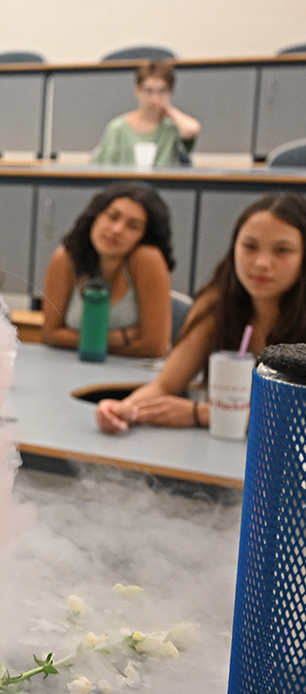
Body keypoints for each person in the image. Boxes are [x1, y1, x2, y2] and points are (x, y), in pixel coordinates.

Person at [96, 194, 306, 434]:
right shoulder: (217, 304)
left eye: (282, 250)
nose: (261, 263)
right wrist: (123, 410)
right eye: (249, 246)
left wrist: (202, 413)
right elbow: (165, 386)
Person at [40, 182, 175, 358]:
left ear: (144, 236)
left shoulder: (146, 258)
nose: (117, 230)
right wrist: (124, 337)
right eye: (112, 216)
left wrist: (81, 341)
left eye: (133, 226)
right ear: (95, 216)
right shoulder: (66, 259)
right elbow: (51, 335)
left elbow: (154, 347)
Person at [91, 61, 202, 168]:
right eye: (148, 91)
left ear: (171, 92)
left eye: (162, 91)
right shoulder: (118, 128)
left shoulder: (172, 128)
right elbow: (102, 168)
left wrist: (168, 109)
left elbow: (191, 129)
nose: (155, 98)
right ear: (137, 90)